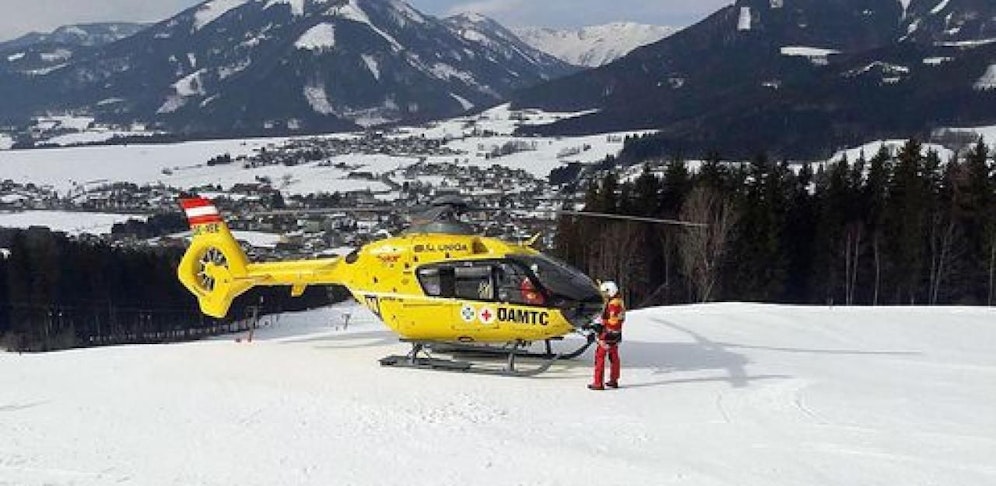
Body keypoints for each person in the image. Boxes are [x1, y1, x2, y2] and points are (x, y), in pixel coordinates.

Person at [589, 281, 625, 391]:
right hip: (616, 334)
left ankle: (598, 383)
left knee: (600, 356)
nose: (604, 295)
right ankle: (614, 380)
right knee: (614, 356)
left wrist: (600, 326)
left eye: (605, 293)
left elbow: (613, 321)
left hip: (608, 334)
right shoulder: (619, 301)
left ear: (610, 291)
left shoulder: (614, 304)